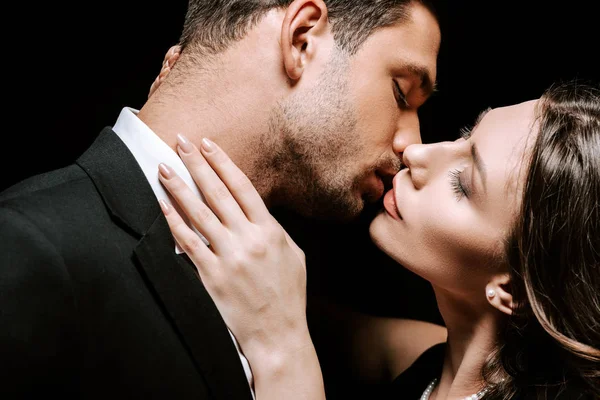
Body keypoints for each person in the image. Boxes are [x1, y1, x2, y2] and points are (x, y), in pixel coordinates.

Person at [0, 0, 440, 397]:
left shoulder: (282, 298)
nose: (413, 144)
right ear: (302, 38)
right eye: (401, 92)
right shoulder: (27, 246)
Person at [159, 81, 600, 399]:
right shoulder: (436, 363)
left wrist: (285, 353)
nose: (418, 154)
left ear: (512, 290)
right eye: (466, 138)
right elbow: (341, 332)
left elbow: (292, 329)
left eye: (463, 184)